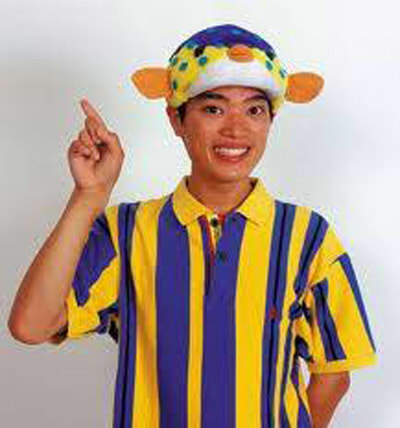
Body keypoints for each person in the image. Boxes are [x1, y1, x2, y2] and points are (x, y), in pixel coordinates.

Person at [8, 24, 377, 428]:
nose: (236, 129)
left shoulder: (308, 238)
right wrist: (89, 196)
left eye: (254, 110)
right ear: (176, 119)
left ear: (271, 120)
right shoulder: (127, 232)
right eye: (213, 109)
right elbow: (31, 325)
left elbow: (334, 373)